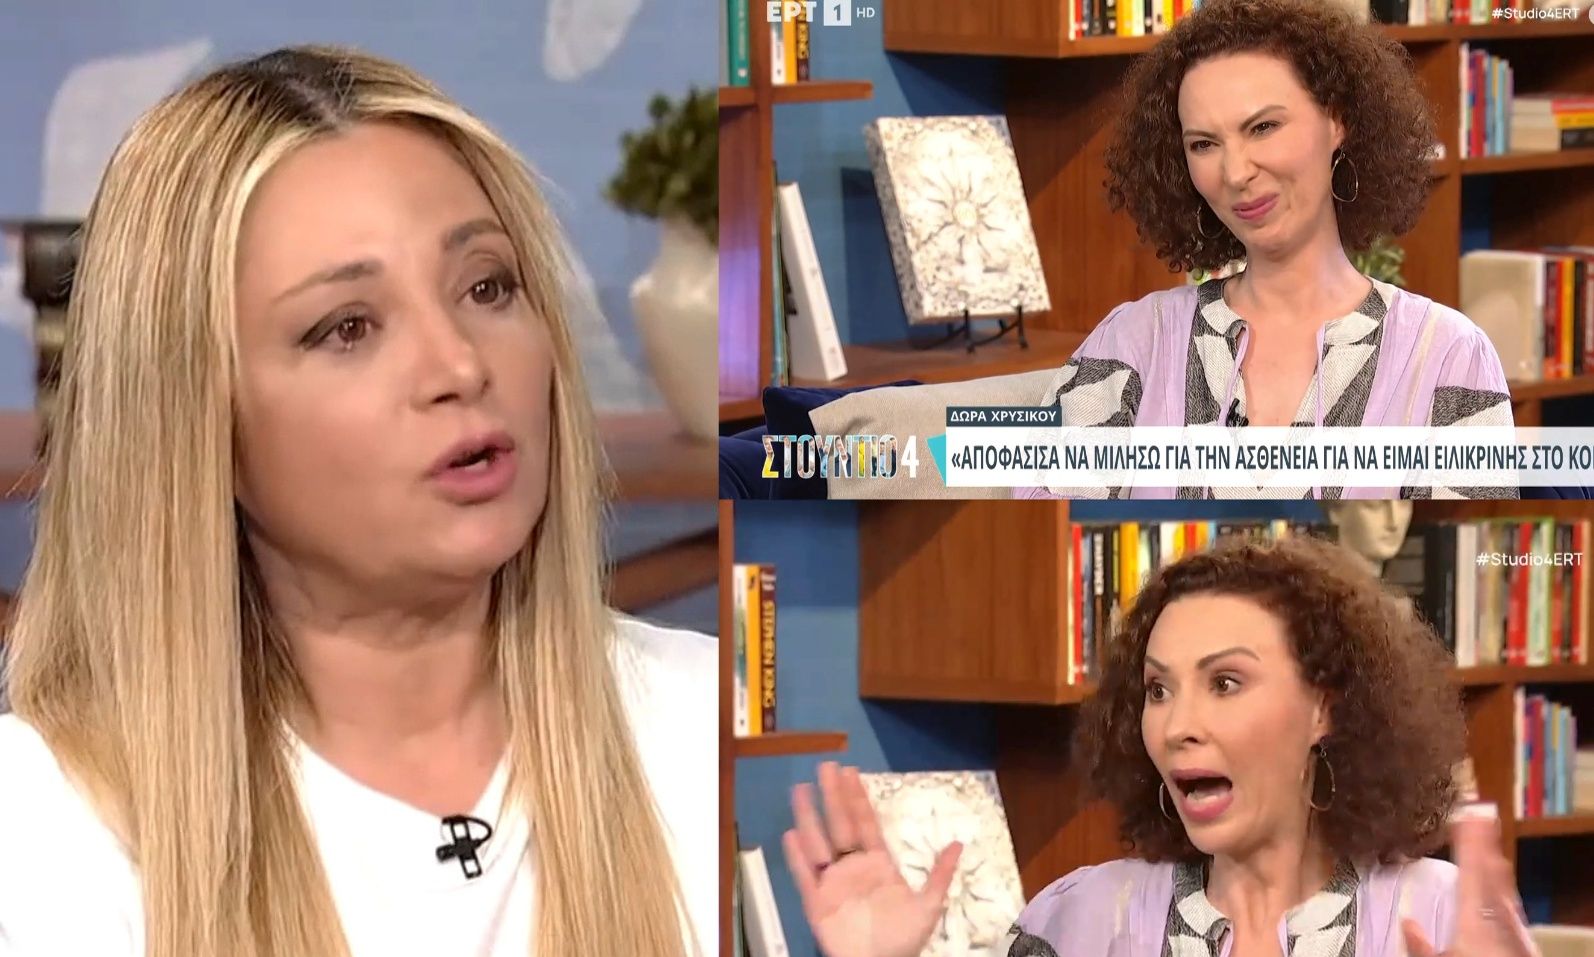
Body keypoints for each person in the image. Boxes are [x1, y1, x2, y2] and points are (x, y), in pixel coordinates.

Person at [0, 46, 712, 957]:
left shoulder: (713, 729)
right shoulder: (49, 836)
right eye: (347, 328)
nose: (459, 365)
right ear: (193, 420)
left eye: (486, 286)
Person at [782, 535, 1539, 956]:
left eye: (1226, 682)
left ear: (1323, 709)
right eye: (1158, 689)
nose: (1177, 725)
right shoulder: (1079, 923)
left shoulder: (1439, 916)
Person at [1022, 0, 1515, 499]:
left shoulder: (1448, 355)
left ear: (1337, 120)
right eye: (1203, 144)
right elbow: (1043, 531)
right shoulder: (1132, 342)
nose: (1235, 173)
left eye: (1263, 128)